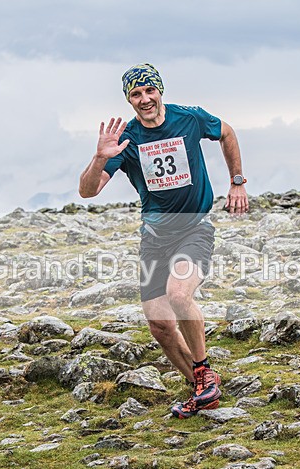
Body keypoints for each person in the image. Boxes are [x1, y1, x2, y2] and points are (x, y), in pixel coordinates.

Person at [78, 63, 249, 419]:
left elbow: (227, 132)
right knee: (159, 326)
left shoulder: (189, 118)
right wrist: (99, 158)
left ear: (160, 91)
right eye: (136, 95)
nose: (144, 100)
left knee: (179, 294)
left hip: (193, 228)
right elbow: (88, 191)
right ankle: (203, 391)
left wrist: (237, 180)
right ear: (129, 100)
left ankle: (203, 371)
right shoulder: (126, 139)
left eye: (149, 91)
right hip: (154, 238)